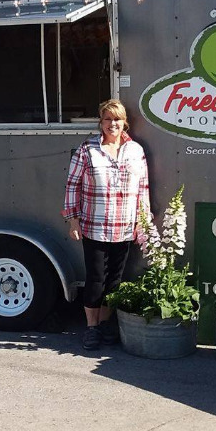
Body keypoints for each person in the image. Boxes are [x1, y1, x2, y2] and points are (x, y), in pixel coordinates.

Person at [62, 99, 151, 350]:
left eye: (117, 119)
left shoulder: (136, 151)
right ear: (101, 123)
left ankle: (104, 324)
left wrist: (142, 223)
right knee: (96, 279)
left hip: (124, 227)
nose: (113, 124)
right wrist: (73, 220)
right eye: (108, 119)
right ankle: (91, 328)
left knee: (115, 281)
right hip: (94, 225)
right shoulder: (87, 149)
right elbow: (73, 185)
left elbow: (143, 189)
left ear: (125, 122)